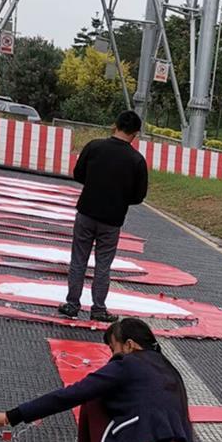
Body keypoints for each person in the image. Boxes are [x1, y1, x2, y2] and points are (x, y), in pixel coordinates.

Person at [0, 318, 193, 442]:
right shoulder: (169, 369)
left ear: (129, 345)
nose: (112, 356)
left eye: (112, 349)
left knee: (92, 398)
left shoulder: (128, 364)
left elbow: (70, 395)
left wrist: (11, 416)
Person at [59, 110, 149, 324]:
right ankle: (98, 308)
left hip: (87, 212)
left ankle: (72, 304)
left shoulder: (94, 147)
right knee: (103, 265)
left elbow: (78, 174)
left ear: (114, 126)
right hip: (112, 219)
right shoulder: (137, 160)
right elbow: (139, 196)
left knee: (79, 259)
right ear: (135, 134)